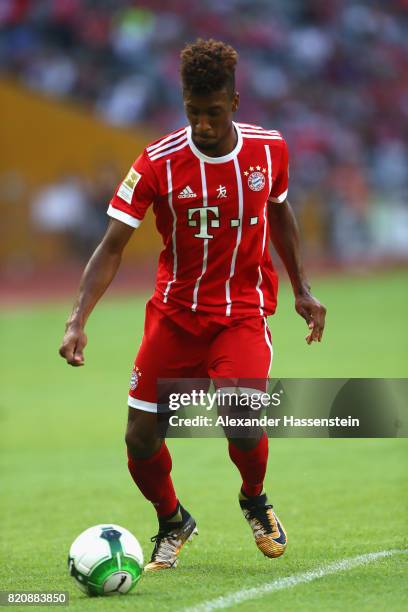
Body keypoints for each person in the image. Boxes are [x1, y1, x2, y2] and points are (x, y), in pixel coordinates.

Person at [59, 38, 326, 571]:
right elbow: (112, 244)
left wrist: (301, 287)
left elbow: (280, 212)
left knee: (240, 414)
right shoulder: (156, 161)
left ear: (234, 102)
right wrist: (77, 320)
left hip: (241, 314)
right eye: (192, 112)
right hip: (175, 317)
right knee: (139, 438)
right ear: (182, 102)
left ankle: (255, 499)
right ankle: (173, 520)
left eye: (213, 112)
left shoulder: (269, 149)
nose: (202, 124)